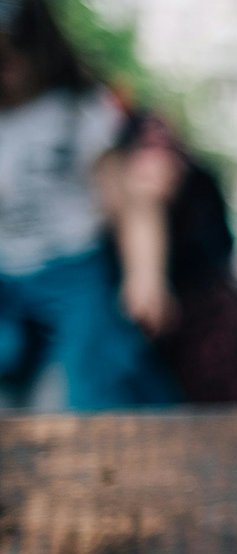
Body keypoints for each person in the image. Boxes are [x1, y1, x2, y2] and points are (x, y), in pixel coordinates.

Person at [0, 0, 178, 409]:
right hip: (6, 274)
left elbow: (131, 204)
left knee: (85, 380)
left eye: (13, 54)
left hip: (73, 269)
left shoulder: (78, 110)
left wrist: (145, 277)